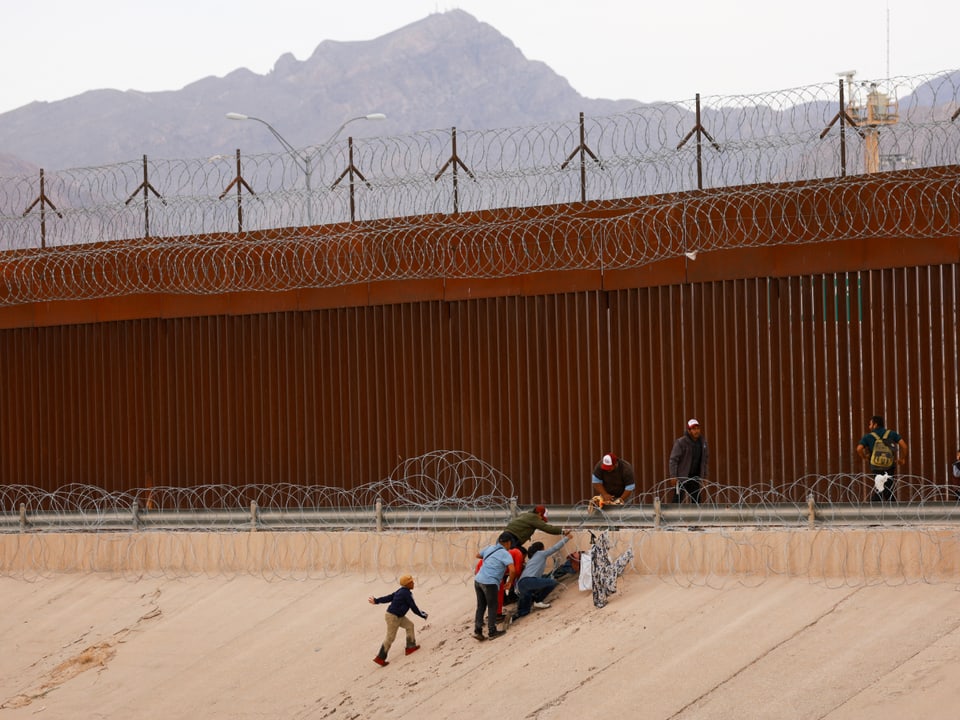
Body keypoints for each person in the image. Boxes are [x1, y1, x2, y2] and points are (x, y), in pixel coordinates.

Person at [368, 574, 428, 667]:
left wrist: (376, 601)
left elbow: (389, 597)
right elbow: (413, 607)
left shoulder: (401, 591)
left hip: (398, 616)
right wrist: (422, 614)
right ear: (407, 584)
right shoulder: (406, 593)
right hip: (393, 617)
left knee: (410, 626)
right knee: (390, 638)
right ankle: (380, 658)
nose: (413, 583)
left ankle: (410, 647)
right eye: (411, 582)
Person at [514, 530, 573, 620]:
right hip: (529, 581)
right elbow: (554, 548)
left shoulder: (531, 559)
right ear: (541, 548)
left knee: (525, 609)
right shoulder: (540, 553)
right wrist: (567, 538)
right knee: (552, 582)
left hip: (521, 584)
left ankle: (519, 615)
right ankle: (538, 600)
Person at [473, 532, 517, 641]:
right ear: (507, 543)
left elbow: (478, 555)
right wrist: (510, 581)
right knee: (493, 606)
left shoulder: (490, 548)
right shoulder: (505, 553)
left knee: (481, 606)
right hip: (490, 582)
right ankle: (492, 631)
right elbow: (512, 570)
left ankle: (478, 630)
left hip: (478, 580)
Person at [856, 415, 908, 502]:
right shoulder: (891, 434)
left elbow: (859, 449)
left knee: (880, 487)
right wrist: (902, 458)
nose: (869, 427)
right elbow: (904, 446)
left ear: (875, 425)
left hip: (875, 466)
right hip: (889, 466)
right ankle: (891, 507)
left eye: (870, 424)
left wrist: (865, 457)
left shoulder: (868, 436)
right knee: (887, 487)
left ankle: (875, 506)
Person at [669, 418, 709, 503]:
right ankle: (672, 515)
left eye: (698, 428)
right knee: (678, 499)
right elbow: (673, 460)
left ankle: (696, 516)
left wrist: (704, 476)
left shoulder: (702, 443)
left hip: (694, 477)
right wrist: (673, 476)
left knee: (696, 499)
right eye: (693, 429)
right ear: (689, 430)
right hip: (682, 476)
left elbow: (704, 461)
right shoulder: (681, 442)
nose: (696, 431)